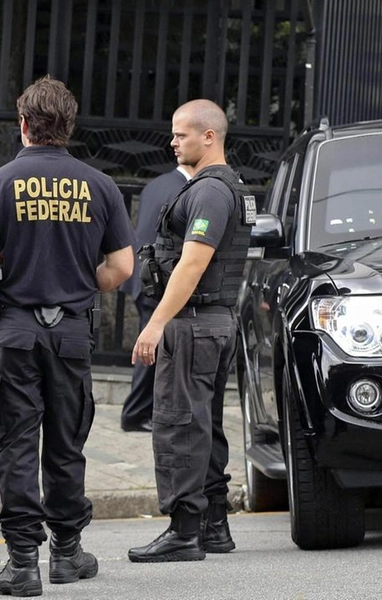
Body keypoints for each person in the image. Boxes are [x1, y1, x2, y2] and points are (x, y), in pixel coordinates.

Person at [0, 75, 134, 597]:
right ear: (68, 125)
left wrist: (2, 262)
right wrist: (79, 283)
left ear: (23, 122)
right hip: (73, 332)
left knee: (15, 443)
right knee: (67, 440)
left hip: (15, 331)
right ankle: (69, 553)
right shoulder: (100, 186)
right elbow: (121, 266)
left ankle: (23, 561)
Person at [127, 99, 252, 563]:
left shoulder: (211, 192)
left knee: (180, 425)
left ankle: (183, 531)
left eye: (181, 134)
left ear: (209, 137)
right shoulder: (222, 187)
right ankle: (214, 526)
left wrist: (156, 322)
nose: (173, 141)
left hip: (194, 323)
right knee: (204, 425)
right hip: (213, 323)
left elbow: (193, 262)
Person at [118, 166, 190, 433]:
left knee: (152, 347)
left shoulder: (158, 184)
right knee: (150, 349)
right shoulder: (181, 190)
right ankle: (135, 413)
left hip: (144, 276)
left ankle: (140, 410)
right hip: (155, 281)